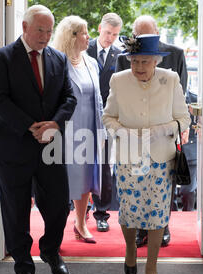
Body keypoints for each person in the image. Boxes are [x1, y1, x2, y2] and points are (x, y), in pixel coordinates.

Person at [0, 5, 77, 274]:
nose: (46, 36)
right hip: (13, 145)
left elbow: (69, 97)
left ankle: (51, 251)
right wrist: (31, 126)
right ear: (25, 28)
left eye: (50, 30)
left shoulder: (59, 59)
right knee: (15, 210)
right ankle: (23, 267)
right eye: (40, 30)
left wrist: (55, 124)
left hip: (51, 145)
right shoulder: (2, 57)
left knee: (60, 204)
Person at [103, 34, 191, 274]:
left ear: (156, 61)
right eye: (134, 61)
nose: (139, 67)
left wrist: (164, 129)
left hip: (161, 159)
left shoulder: (170, 79)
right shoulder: (119, 80)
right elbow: (108, 117)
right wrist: (121, 131)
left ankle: (151, 266)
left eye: (144, 61)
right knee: (129, 213)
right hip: (129, 159)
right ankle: (130, 249)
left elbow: (183, 119)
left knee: (157, 214)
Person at [116, 15, 189, 247]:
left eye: (148, 35)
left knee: (163, 188)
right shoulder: (122, 61)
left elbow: (182, 96)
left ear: (157, 32)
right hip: (132, 142)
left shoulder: (175, 55)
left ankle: (162, 226)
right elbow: (118, 100)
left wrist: (176, 128)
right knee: (134, 189)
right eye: (138, 35)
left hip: (164, 136)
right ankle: (139, 230)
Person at [52, 16, 105, 244]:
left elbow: (99, 98)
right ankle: (55, 229)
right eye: (84, 33)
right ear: (71, 36)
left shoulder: (91, 62)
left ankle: (81, 223)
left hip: (89, 129)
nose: (88, 37)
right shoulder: (56, 62)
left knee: (86, 177)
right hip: (65, 131)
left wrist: (101, 129)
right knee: (62, 180)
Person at [86, 13, 123, 232]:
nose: (110, 38)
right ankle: (79, 211)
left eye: (115, 35)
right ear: (100, 28)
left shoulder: (120, 55)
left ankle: (102, 213)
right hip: (83, 113)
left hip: (107, 117)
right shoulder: (84, 48)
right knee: (79, 163)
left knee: (103, 165)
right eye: (108, 32)